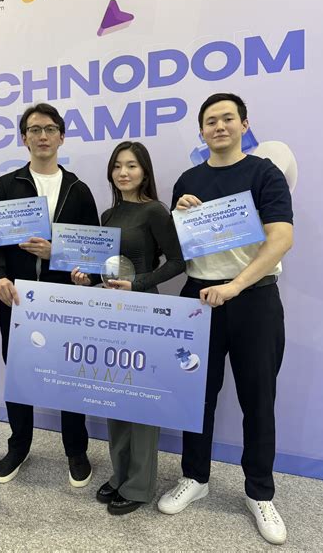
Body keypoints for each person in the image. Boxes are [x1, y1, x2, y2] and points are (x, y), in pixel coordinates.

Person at [157, 94, 293, 546]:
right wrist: (180, 217)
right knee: (196, 395)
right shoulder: (188, 180)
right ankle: (195, 477)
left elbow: (281, 238)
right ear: (201, 131)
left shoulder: (264, 173)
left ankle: (260, 492)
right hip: (199, 299)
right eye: (211, 121)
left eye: (227, 119)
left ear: (244, 125)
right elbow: (182, 250)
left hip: (254, 298)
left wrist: (235, 286)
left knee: (259, 398)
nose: (219, 126)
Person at [0, 103, 99, 487]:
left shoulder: (78, 189)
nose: (42, 136)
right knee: (19, 375)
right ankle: (19, 445)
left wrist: (57, 252)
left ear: (61, 136)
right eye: (34, 130)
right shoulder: (7, 185)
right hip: (16, 299)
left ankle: (76, 449)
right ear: (24, 138)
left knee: (71, 374)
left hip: (66, 301)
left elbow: (91, 252)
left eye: (50, 129)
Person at [72, 141, 185, 515]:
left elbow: (178, 261)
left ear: (145, 171)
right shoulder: (108, 214)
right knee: (114, 393)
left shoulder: (155, 211)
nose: (124, 172)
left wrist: (138, 283)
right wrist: (86, 278)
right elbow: (103, 266)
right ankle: (120, 474)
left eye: (132, 165)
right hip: (110, 308)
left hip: (143, 307)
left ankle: (139, 485)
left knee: (141, 399)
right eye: (118, 166)